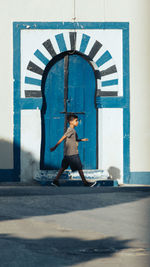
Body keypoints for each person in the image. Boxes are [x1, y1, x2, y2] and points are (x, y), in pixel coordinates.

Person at [50, 114, 97, 187]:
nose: (77, 122)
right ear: (70, 122)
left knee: (63, 167)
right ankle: (85, 183)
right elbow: (63, 137)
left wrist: (81, 140)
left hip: (68, 154)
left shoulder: (72, 130)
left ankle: (55, 181)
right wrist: (55, 147)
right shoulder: (70, 130)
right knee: (79, 167)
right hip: (72, 153)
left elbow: (74, 139)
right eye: (76, 120)